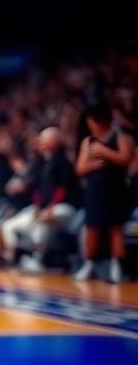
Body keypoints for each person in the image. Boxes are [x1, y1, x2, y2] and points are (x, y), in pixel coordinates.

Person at [0, 128, 77, 274]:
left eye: (44, 139)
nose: (40, 142)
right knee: (10, 226)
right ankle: (16, 258)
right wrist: (37, 207)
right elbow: (37, 190)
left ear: (56, 141)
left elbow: (63, 189)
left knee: (42, 225)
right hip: (42, 210)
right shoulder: (41, 162)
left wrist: (50, 208)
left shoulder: (63, 161)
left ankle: (38, 260)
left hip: (64, 208)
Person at [74, 101, 134, 283]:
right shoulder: (88, 141)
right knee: (92, 228)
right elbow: (80, 168)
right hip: (94, 189)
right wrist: (92, 164)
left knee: (115, 227)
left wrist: (104, 152)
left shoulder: (121, 137)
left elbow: (125, 159)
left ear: (98, 120)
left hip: (115, 187)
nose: (90, 123)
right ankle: (89, 264)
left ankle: (117, 265)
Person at [0, 153, 35, 264]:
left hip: (25, 210)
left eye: (16, 161)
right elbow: (8, 191)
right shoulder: (15, 176)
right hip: (13, 209)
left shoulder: (30, 175)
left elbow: (26, 193)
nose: (14, 165)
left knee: (5, 227)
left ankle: (11, 257)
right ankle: (0, 257)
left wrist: (19, 188)